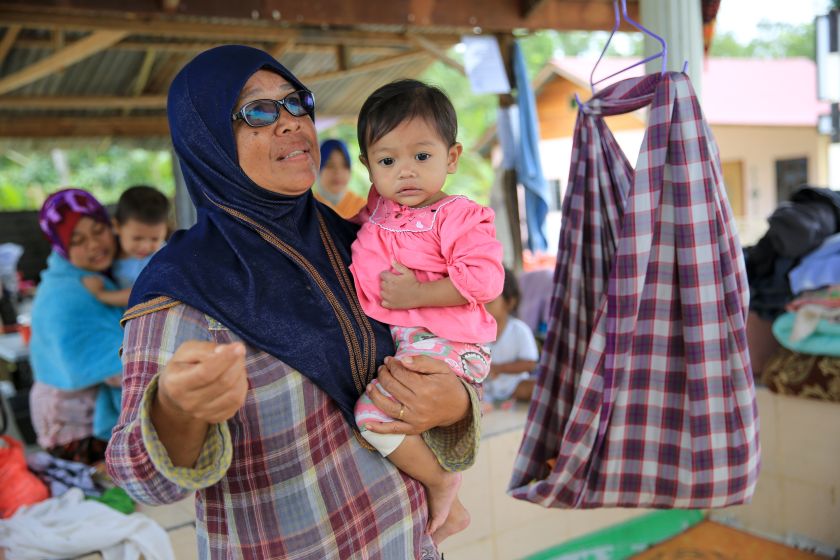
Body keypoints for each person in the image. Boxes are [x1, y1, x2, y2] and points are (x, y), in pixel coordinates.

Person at [106, 45, 482, 560]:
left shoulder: (363, 242)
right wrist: (176, 410)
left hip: (407, 542)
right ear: (206, 140)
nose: (287, 123)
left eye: (295, 102)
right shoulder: (184, 291)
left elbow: (444, 340)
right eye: (257, 111)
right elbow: (144, 483)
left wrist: (455, 401)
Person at [350, 79, 504, 543]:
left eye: (421, 156)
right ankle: (443, 491)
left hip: (452, 344)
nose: (406, 172)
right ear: (368, 167)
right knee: (374, 416)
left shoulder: (457, 215)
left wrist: (417, 294)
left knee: (370, 416)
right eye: (387, 160)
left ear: (451, 158)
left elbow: (484, 279)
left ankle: (442, 485)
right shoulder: (378, 212)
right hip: (415, 345)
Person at [29, 189, 125, 464]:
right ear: (61, 247)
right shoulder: (67, 295)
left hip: (81, 418)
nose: (95, 245)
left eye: (98, 230)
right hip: (74, 432)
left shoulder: (95, 278)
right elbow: (119, 366)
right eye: (78, 240)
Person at [83, 185, 170, 308]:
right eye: (137, 238)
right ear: (117, 226)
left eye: (155, 239)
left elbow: (144, 293)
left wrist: (101, 295)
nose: (145, 246)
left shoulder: (163, 255)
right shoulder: (109, 252)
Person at [483, 268, 540, 405]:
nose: (483, 307)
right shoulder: (475, 332)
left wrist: (497, 368)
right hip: (485, 388)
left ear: (510, 302)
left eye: (489, 302)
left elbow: (530, 364)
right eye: (480, 303)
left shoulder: (519, 330)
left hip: (514, 385)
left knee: (536, 387)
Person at [313, 138, 367, 218]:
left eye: (345, 165)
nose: (338, 172)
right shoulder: (307, 208)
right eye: (330, 165)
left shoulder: (365, 209)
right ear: (317, 169)